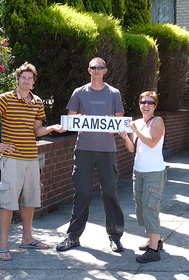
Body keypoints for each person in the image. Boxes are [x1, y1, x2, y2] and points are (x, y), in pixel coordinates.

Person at [0, 62, 65, 261]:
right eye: (23, 77)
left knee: (29, 201)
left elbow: (37, 131)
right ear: (18, 79)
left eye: (30, 78)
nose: (26, 81)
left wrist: (52, 128)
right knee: (8, 203)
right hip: (11, 159)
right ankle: (3, 245)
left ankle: (27, 238)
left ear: (33, 82)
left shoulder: (37, 102)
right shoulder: (5, 99)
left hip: (31, 158)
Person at [56, 57, 125, 253]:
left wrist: (112, 123)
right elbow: (71, 118)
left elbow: (118, 120)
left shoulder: (114, 93)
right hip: (84, 149)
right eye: (94, 67)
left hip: (107, 150)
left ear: (105, 71)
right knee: (82, 192)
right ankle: (73, 236)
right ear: (89, 70)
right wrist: (80, 119)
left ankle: (115, 236)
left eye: (100, 68)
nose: (97, 70)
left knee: (110, 191)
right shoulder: (79, 92)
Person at [119, 91, 166, 263]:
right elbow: (132, 148)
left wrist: (135, 130)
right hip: (138, 171)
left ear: (155, 106)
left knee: (150, 208)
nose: (146, 105)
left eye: (150, 103)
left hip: (153, 172)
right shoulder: (137, 123)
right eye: (143, 102)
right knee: (141, 207)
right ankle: (156, 240)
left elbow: (152, 142)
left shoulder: (157, 121)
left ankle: (153, 250)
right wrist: (126, 137)